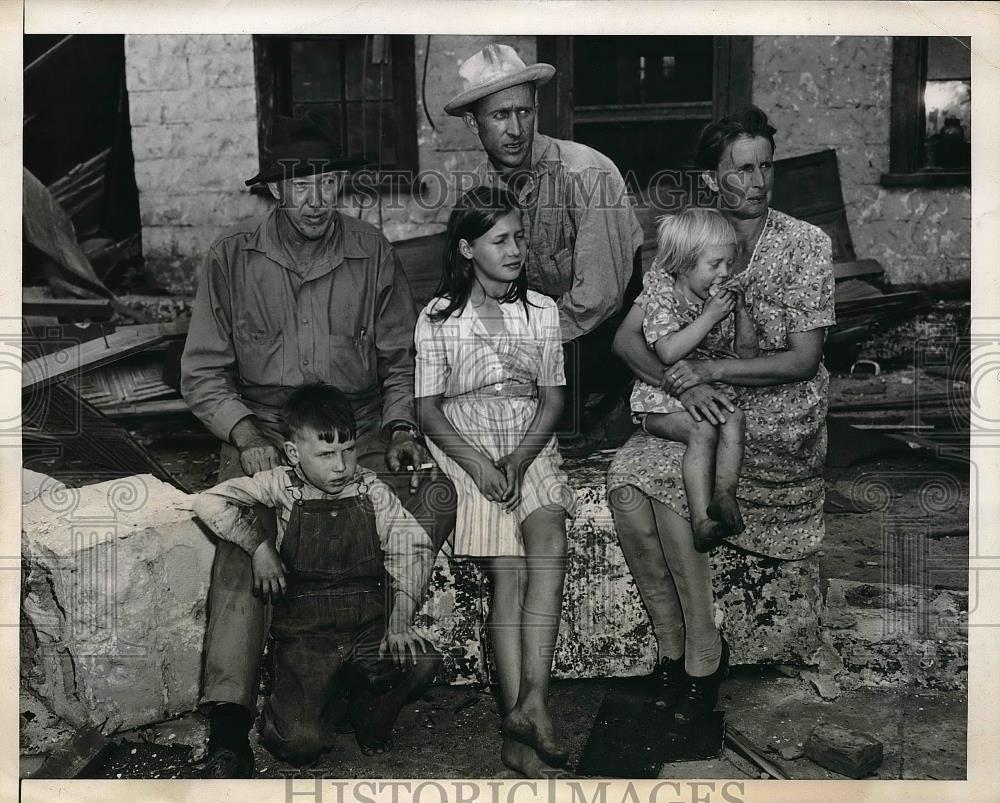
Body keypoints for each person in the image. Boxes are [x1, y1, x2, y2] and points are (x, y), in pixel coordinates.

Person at [180, 115, 456, 778]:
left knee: (437, 495)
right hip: (269, 431)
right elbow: (202, 371)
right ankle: (227, 723)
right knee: (246, 534)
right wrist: (245, 435)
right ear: (274, 189)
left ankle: (371, 662)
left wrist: (399, 429)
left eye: (329, 182)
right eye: (301, 184)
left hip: (353, 429)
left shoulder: (371, 250)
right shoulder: (232, 256)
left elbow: (398, 360)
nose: (316, 199)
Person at [607, 106, 834, 724]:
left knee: (671, 489)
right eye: (741, 170)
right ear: (712, 179)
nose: (757, 183)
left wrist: (708, 373)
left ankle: (704, 651)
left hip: (777, 417)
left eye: (766, 168)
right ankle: (672, 650)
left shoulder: (805, 245)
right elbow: (627, 342)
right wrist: (681, 386)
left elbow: (802, 360)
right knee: (627, 489)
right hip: (699, 409)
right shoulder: (688, 240)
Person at [414, 186, 575, 778]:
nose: (515, 249)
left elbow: (554, 400)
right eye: (500, 240)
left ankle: (532, 705)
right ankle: (518, 739)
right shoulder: (437, 318)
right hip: (465, 441)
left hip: (528, 439)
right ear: (467, 248)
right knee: (508, 571)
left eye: (519, 237)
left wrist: (521, 458)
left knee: (549, 546)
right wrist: (481, 464)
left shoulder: (540, 310)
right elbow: (429, 409)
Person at [192, 384, 442, 766]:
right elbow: (208, 501)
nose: (340, 466)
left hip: (366, 627)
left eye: (348, 450)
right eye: (325, 454)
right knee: (300, 747)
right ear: (294, 453)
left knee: (421, 660)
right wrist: (259, 547)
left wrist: (400, 619)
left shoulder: (371, 491)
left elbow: (412, 550)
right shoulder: (281, 485)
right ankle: (302, 711)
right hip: (306, 639)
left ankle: (366, 711)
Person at [445, 44, 645, 452]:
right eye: (500, 115)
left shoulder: (586, 174)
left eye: (524, 111)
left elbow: (599, 298)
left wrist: (527, 352)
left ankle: (606, 408)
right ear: (472, 122)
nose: (516, 129)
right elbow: (474, 288)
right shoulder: (478, 193)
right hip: (536, 333)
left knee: (554, 423)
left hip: (601, 333)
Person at [630, 209, 759, 554]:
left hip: (704, 392)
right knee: (703, 430)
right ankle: (702, 520)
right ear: (685, 264)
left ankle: (725, 494)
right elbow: (669, 352)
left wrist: (742, 313)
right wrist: (709, 317)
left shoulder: (714, 302)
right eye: (714, 264)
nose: (724, 273)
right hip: (659, 402)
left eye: (729, 264)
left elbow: (747, 355)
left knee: (735, 417)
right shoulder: (662, 300)